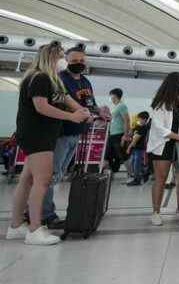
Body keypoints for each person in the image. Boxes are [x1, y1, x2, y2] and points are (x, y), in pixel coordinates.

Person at [6, 43, 90, 245]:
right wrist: (71, 116)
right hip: (38, 135)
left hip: (42, 135)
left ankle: (16, 225)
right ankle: (35, 229)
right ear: (51, 57)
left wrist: (86, 113)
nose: (65, 61)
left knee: (27, 179)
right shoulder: (40, 78)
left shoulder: (53, 80)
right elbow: (41, 107)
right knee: (42, 181)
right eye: (62, 56)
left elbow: (67, 100)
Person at [41, 46, 101, 229]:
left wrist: (100, 111)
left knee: (58, 174)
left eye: (81, 61)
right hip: (61, 132)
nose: (78, 64)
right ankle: (45, 214)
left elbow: (90, 105)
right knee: (51, 175)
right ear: (66, 61)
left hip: (77, 132)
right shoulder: (60, 79)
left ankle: (41, 210)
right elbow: (59, 104)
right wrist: (82, 113)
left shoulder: (85, 82)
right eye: (74, 61)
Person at [147, 72, 179, 226]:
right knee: (161, 179)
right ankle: (155, 212)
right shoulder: (160, 102)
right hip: (163, 144)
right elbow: (159, 127)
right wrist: (177, 136)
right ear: (173, 84)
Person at [105, 88, 131, 174]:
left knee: (123, 156)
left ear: (115, 95)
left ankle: (132, 175)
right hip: (113, 135)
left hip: (119, 135)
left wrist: (125, 135)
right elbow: (115, 120)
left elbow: (127, 120)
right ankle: (112, 172)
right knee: (107, 155)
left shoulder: (122, 106)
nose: (110, 97)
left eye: (111, 95)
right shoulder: (115, 107)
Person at [126, 111, 151, 186]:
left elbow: (136, 139)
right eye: (138, 118)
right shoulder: (138, 126)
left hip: (139, 149)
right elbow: (132, 135)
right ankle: (143, 175)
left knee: (136, 164)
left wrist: (129, 147)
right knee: (134, 163)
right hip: (135, 148)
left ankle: (137, 179)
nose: (138, 120)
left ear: (145, 119)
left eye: (140, 119)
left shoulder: (143, 128)